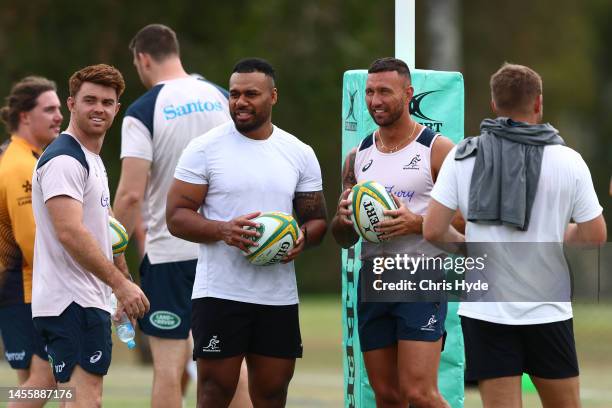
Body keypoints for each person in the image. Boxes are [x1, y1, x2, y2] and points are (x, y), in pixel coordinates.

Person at [424, 63, 607, 408]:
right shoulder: (569, 160)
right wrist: (556, 232)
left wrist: (468, 248)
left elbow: (432, 229)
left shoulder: (463, 156)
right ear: (538, 103)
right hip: (547, 310)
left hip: (485, 313)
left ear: (494, 105)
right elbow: (595, 234)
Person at [166, 58, 328, 408]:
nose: (240, 101)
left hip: (277, 297)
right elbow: (176, 216)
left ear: (273, 96)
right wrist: (223, 230)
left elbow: (317, 220)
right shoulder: (204, 149)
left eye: (251, 94)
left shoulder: (299, 153)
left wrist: (303, 237)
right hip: (220, 294)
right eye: (235, 94)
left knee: (272, 394)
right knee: (215, 392)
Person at [112, 24, 250, 408]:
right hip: (223, 250)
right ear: (175, 51)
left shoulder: (143, 111)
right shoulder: (223, 98)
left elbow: (130, 194)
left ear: (142, 59)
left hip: (170, 256)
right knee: (231, 367)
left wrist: (113, 252)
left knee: (169, 370)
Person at [331, 57, 457, 408]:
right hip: (374, 279)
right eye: (369, 92)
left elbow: (468, 219)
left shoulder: (438, 149)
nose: (375, 101)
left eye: (385, 91)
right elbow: (344, 239)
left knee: (419, 394)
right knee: (386, 396)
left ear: (408, 93)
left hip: (421, 276)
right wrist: (342, 221)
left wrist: (417, 223)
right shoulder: (357, 156)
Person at [31, 64, 149, 407]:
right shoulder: (66, 159)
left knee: (75, 398)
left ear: (116, 108)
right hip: (71, 301)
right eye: (90, 100)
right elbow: (69, 232)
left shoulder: (90, 158)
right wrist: (120, 284)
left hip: (83, 299)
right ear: (71, 104)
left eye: (107, 102)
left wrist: (121, 278)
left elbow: (104, 228)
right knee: (86, 400)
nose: (99, 108)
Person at [0, 76, 61, 406]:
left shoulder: (20, 157)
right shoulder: (22, 165)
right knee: (46, 379)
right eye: (49, 109)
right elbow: (32, 240)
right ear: (25, 116)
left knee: (30, 380)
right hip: (23, 285)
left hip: (17, 287)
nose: (59, 116)